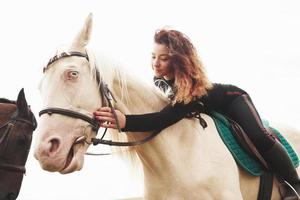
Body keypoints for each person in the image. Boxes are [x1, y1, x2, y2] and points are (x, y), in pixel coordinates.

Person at [93, 28, 299, 197]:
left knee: (258, 135)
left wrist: (126, 121)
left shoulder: (188, 85)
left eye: (163, 58)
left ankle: (294, 184)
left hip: (232, 99)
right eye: (153, 56)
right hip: (210, 109)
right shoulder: (162, 82)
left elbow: (167, 117)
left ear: (177, 60)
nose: (156, 63)